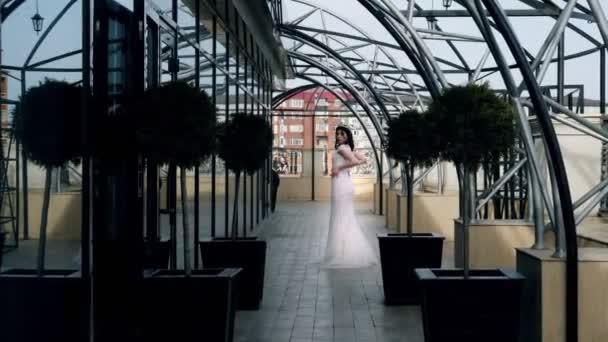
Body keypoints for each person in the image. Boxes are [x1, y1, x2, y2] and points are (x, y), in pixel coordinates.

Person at [321, 125, 378, 268]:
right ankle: (345, 251)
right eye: (338, 134)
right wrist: (345, 165)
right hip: (345, 183)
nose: (339, 136)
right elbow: (362, 160)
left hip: (341, 184)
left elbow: (353, 162)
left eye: (342, 134)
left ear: (347, 136)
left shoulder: (341, 149)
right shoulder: (348, 149)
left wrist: (338, 168)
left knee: (340, 217)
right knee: (345, 217)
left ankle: (342, 253)